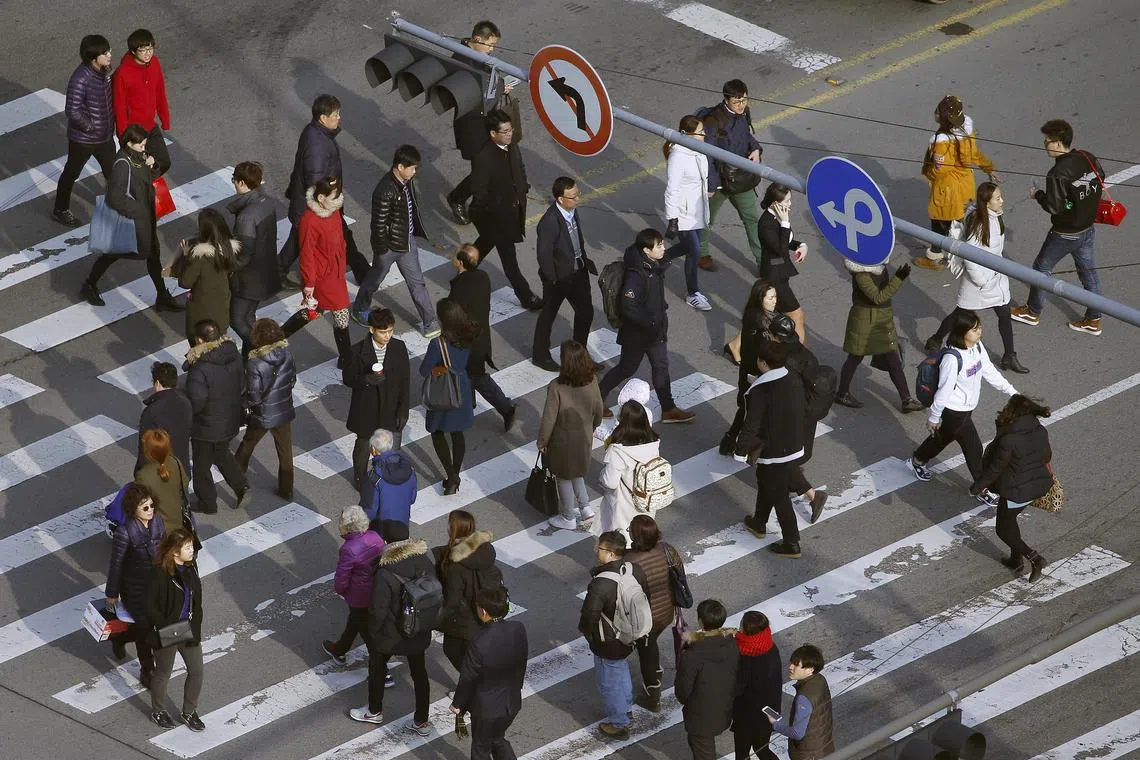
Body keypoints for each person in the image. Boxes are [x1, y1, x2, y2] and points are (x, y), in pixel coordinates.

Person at [907, 309, 1018, 506]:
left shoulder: (977, 347)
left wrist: (1012, 392)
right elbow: (943, 390)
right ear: (961, 332)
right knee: (973, 448)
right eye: (974, 329)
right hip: (955, 410)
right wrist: (934, 417)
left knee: (943, 438)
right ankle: (982, 488)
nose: (979, 332)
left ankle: (917, 460)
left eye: (979, 327)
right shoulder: (952, 358)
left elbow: (989, 371)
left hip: (966, 408)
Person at [1011, 119, 1108, 336]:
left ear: (1056, 142)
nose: (1045, 145)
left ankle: (1032, 311)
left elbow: (1053, 207)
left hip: (1065, 233)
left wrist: (1038, 195)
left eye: (1046, 141)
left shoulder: (1056, 173)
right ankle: (1094, 318)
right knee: (1088, 273)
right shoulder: (1086, 156)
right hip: (1087, 229)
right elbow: (1101, 177)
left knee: (1040, 269)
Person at [925, 182, 1028, 374]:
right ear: (986, 202)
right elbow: (969, 256)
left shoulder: (995, 217)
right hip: (980, 282)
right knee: (960, 315)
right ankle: (936, 339)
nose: (1002, 200)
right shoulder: (980, 225)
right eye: (997, 198)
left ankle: (1009, 356)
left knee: (1004, 314)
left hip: (995, 279)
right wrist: (982, 281)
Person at [80, 123, 183, 312]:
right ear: (129, 143)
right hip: (135, 220)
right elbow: (115, 197)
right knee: (118, 252)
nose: (144, 148)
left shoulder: (138, 157)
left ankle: (162, 295)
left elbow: (147, 177)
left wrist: (153, 164)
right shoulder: (122, 164)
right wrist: (138, 212)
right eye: (141, 145)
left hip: (146, 219)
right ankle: (89, 284)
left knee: (152, 255)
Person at [597, 228, 696, 423]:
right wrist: (650, 323)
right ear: (646, 251)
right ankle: (597, 397)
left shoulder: (653, 262)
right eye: (659, 245)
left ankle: (668, 409)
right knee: (627, 368)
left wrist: (688, 231)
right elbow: (629, 307)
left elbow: (680, 249)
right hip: (638, 334)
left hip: (655, 330)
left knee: (661, 366)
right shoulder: (636, 274)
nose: (663, 248)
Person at [352, 528, 435, 736]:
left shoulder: (385, 572)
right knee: (420, 674)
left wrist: (372, 634)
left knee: (377, 668)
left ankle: (374, 711)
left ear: (387, 543)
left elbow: (377, 611)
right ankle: (422, 720)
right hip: (417, 628)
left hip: (390, 634)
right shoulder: (424, 561)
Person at [279, 94, 369, 287]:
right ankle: (362, 272)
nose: (339, 118)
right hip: (319, 204)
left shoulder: (313, 132)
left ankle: (277, 273)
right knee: (341, 235)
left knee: (297, 238)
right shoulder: (318, 146)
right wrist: (328, 203)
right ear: (323, 118)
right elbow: (315, 179)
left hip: (306, 202)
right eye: (335, 114)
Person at [353, 144, 439, 337]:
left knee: (417, 283)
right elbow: (378, 225)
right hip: (390, 247)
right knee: (374, 280)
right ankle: (359, 309)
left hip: (406, 243)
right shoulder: (385, 190)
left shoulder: (405, 182)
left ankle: (430, 322)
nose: (415, 171)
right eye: (412, 167)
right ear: (400, 167)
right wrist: (382, 250)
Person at [733, 340, 807, 557]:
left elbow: (752, 423)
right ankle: (758, 522)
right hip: (793, 443)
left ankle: (792, 542)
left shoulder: (760, 391)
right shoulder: (792, 376)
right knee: (766, 481)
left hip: (773, 450)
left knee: (779, 494)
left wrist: (740, 450)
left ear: (763, 363)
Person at [970, 395, 1053, 582]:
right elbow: (1046, 456)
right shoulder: (1040, 430)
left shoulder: (1008, 439)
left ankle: (1035, 558)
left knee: (1003, 530)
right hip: (1037, 485)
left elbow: (995, 468)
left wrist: (978, 487)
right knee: (1011, 521)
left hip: (1016, 491)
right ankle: (1015, 560)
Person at [579, 530, 651, 740]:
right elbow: (646, 596)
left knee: (609, 680)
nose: (596, 551)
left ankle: (619, 723)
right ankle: (625, 708)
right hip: (631, 633)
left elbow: (589, 615)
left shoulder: (601, 583)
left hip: (608, 640)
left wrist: (590, 636)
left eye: (599, 548)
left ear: (610, 553)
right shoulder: (634, 569)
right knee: (620, 670)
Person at [469, 108, 542, 310]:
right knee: (510, 263)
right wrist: (495, 211)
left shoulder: (511, 146)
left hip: (509, 214)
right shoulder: (483, 157)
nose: (510, 134)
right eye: (506, 131)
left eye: (511, 130)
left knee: (481, 247)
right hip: (498, 219)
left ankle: (463, 274)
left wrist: (523, 186)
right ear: (493, 134)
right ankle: (527, 298)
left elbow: (520, 167)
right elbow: (479, 191)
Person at [917, 95, 997, 270]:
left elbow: (941, 169)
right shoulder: (967, 133)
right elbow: (974, 156)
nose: (935, 113)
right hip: (965, 184)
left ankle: (938, 257)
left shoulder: (941, 142)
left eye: (937, 111)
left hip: (947, 190)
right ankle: (944, 252)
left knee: (940, 222)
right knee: (960, 220)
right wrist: (989, 167)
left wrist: (929, 173)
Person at [833, 259, 924, 412]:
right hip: (865, 322)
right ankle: (842, 394)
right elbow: (878, 298)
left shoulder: (877, 266)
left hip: (881, 320)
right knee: (855, 357)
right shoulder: (860, 273)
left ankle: (906, 399)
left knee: (893, 358)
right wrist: (898, 278)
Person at [450, 587, 528, 760]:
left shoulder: (479, 640)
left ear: (483, 611)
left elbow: (468, 677)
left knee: (481, 747)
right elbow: (522, 660)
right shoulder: (518, 628)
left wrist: (458, 704)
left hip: (486, 709)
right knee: (498, 740)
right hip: (512, 702)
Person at [697, 79, 765, 272]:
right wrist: (711, 186)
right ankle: (701, 254)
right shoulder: (713, 121)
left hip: (741, 178)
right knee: (707, 219)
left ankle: (762, 262)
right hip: (719, 181)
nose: (742, 105)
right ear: (726, 100)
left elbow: (746, 136)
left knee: (752, 219)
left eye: (744, 100)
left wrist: (756, 149)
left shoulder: (743, 113)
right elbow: (707, 155)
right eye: (737, 102)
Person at [284, 176, 353, 366]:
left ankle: (278, 337)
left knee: (315, 309)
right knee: (340, 313)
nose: (337, 199)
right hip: (323, 277)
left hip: (335, 272)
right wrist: (309, 283)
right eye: (334, 196)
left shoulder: (333, 211)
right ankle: (346, 358)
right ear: (321, 198)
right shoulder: (310, 220)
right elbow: (306, 253)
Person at [448, 244, 518, 430]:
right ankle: (471, 406)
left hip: (467, 345)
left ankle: (505, 408)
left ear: (460, 263)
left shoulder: (459, 290)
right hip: (480, 341)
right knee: (471, 375)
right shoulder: (482, 277)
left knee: (475, 377)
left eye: (456, 255)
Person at [446, 20, 509, 225]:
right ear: (477, 39)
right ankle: (458, 198)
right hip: (472, 126)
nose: (491, 50)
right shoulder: (462, 60)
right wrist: (499, 89)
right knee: (483, 170)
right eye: (489, 45)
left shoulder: (477, 55)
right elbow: (475, 95)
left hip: (486, 121)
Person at [538, 340, 605, 531]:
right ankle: (585, 508)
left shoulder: (556, 387)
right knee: (577, 472)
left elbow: (549, 418)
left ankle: (568, 516)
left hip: (563, 439)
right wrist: (593, 426)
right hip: (584, 435)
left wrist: (542, 441)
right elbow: (599, 408)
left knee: (564, 476)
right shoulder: (592, 379)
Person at [533, 176, 599, 370]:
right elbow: (543, 254)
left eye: (578, 194)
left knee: (585, 313)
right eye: (573, 197)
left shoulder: (572, 211)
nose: (578, 199)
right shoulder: (549, 222)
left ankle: (580, 357)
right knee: (548, 315)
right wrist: (552, 279)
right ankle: (540, 355)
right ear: (560, 199)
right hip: (558, 278)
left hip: (578, 271)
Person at [184, 319, 249, 514]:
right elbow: (242, 386)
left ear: (198, 339)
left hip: (206, 426)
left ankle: (207, 502)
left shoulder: (200, 368)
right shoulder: (234, 355)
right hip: (229, 420)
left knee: (201, 466)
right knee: (222, 453)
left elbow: (196, 402)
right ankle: (241, 486)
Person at [53, 34, 116, 227]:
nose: (109, 55)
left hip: (105, 137)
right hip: (84, 140)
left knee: (114, 174)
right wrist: (91, 127)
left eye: (109, 50)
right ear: (92, 58)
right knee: (72, 172)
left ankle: (117, 209)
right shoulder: (80, 79)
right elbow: (72, 110)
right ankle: (60, 209)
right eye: (104, 53)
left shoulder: (103, 71)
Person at [105, 483, 165, 687]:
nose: (150, 511)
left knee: (148, 626)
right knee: (144, 627)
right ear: (133, 509)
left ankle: (120, 637)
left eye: (151, 505)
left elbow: (164, 549)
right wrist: (112, 593)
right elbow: (116, 564)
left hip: (156, 585)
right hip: (134, 589)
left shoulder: (158, 522)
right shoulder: (124, 532)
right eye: (144, 507)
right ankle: (147, 669)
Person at [145, 528, 205, 732]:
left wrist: (195, 627)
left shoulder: (190, 569)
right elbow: (149, 605)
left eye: (191, 546)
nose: (192, 550)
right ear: (174, 552)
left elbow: (197, 602)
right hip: (168, 630)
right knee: (163, 672)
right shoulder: (159, 574)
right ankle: (158, 711)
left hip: (188, 629)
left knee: (197, 671)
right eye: (187, 547)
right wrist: (163, 626)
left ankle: (189, 712)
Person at [344, 308, 411, 484]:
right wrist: (366, 379)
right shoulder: (357, 351)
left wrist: (403, 410)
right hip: (367, 408)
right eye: (383, 332)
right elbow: (348, 378)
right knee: (364, 445)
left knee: (392, 448)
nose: (387, 336)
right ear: (372, 329)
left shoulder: (399, 347)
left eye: (390, 331)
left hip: (391, 407)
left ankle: (386, 476)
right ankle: (360, 477)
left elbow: (405, 381)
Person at [624, 515, 683, 713]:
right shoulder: (667, 550)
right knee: (650, 644)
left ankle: (652, 693)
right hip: (667, 612)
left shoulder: (629, 560)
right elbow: (680, 576)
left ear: (635, 535)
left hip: (644, 618)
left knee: (646, 651)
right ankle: (655, 674)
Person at [433, 510, 501, 675]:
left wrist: (435, 619)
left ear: (455, 529)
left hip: (464, 619)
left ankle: (474, 686)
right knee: (476, 654)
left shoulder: (456, 563)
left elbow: (453, 599)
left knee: (453, 650)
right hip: (485, 611)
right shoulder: (486, 549)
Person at [234, 318, 297, 500]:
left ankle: (237, 479)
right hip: (284, 410)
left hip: (263, 414)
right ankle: (287, 490)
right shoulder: (287, 354)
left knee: (247, 444)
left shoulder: (255, 363)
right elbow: (292, 379)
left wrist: (245, 405)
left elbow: (254, 395)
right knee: (285, 452)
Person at [420, 298, 476, 495]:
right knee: (457, 433)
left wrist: (438, 368)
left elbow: (424, 370)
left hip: (445, 391)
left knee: (437, 432)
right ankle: (456, 472)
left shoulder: (438, 344)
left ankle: (451, 475)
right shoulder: (469, 335)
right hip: (462, 388)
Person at [720, 281, 784, 450]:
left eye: (775, 296)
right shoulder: (759, 322)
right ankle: (734, 442)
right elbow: (758, 351)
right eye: (770, 298)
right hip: (754, 373)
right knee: (748, 411)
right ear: (760, 299)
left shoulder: (762, 316)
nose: (774, 300)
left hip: (756, 371)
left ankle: (730, 440)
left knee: (748, 411)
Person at [228, 161, 281, 357]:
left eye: (234, 180)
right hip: (265, 270)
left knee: (237, 320)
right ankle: (250, 358)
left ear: (242, 183)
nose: (233, 183)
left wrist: (229, 267)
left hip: (249, 278)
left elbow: (244, 252)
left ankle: (263, 352)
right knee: (248, 316)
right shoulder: (267, 202)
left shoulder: (246, 217)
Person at [676, 599, 741, 760]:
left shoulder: (692, 655)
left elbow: (683, 691)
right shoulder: (732, 643)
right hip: (725, 706)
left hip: (701, 714)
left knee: (703, 752)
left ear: (700, 621)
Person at [323, 506, 386, 668]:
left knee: (366, 632)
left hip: (359, 596)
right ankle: (339, 649)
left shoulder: (348, 549)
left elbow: (342, 575)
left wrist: (341, 590)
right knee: (355, 622)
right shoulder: (375, 537)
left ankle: (383, 670)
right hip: (377, 590)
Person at [663, 115, 713, 312]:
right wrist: (672, 218)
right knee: (693, 250)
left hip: (698, 210)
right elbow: (672, 189)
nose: (703, 135)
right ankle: (693, 293)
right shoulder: (678, 156)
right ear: (686, 134)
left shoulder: (698, 151)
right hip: (683, 212)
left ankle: (658, 258)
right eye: (700, 132)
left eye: (703, 131)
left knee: (687, 246)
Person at [170, 208, 239, 346]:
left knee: (199, 349)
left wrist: (185, 256)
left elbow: (185, 282)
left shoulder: (199, 256)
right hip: (221, 309)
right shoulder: (228, 249)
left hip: (201, 312)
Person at [596, 400, 661, 538]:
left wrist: (602, 475)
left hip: (623, 505)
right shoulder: (653, 443)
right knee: (641, 538)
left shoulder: (618, 450)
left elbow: (610, 482)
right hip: (646, 501)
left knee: (621, 541)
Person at [112, 29, 172, 176]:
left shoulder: (155, 63)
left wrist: (165, 119)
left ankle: (143, 189)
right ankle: (140, 192)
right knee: (139, 169)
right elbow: (119, 106)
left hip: (150, 126)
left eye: (150, 48)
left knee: (163, 162)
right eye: (142, 50)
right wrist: (123, 136)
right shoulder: (122, 74)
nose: (148, 53)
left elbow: (160, 92)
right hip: (133, 132)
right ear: (133, 51)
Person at [757, 183, 808, 342]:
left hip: (780, 273)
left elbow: (786, 241)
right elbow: (780, 249)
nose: (790, 204)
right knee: (796, 314)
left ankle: (736, 347)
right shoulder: (766, 223)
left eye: (790, 200)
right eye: (786, 201)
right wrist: (785, 222)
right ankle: (802, 354)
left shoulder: (778, 216)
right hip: (774, 276)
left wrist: (801, 245)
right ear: (775, 203)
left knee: (770, 319)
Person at [768, 645, 835, 760]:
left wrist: (776, 723)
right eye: (791, 663)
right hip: (824, 747)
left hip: (808, 755)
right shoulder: (820, 679)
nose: (790, 667)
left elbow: (797, 733)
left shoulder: (803, 698)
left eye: (796, 665)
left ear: (810, 669)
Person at [732, 611, 783, 760]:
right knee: (762, 749)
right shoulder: (770, 646)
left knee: (742, 754)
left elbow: (738, 688)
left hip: (748, 716)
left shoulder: (747, 657)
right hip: (771, 711)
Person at [359, 428, 417, 538]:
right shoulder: (409, 470)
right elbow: (412, 499)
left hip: (381, 529)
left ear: (374, 450)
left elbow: (370, 509)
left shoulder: (374, 477)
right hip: (402, 525)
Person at [135, 361, 191, 474]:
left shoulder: (151, 411)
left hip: (159, 471)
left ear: (157, 383)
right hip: (181, 468)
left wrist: (139, 472)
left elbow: (145, 447)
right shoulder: (186, 403)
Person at [134, 428, 190, 539]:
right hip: (177, 519)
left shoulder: (143, 475)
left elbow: (139, 502)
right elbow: (184, 484)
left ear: (148, 451)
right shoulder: (175, 462)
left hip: (157, 528)